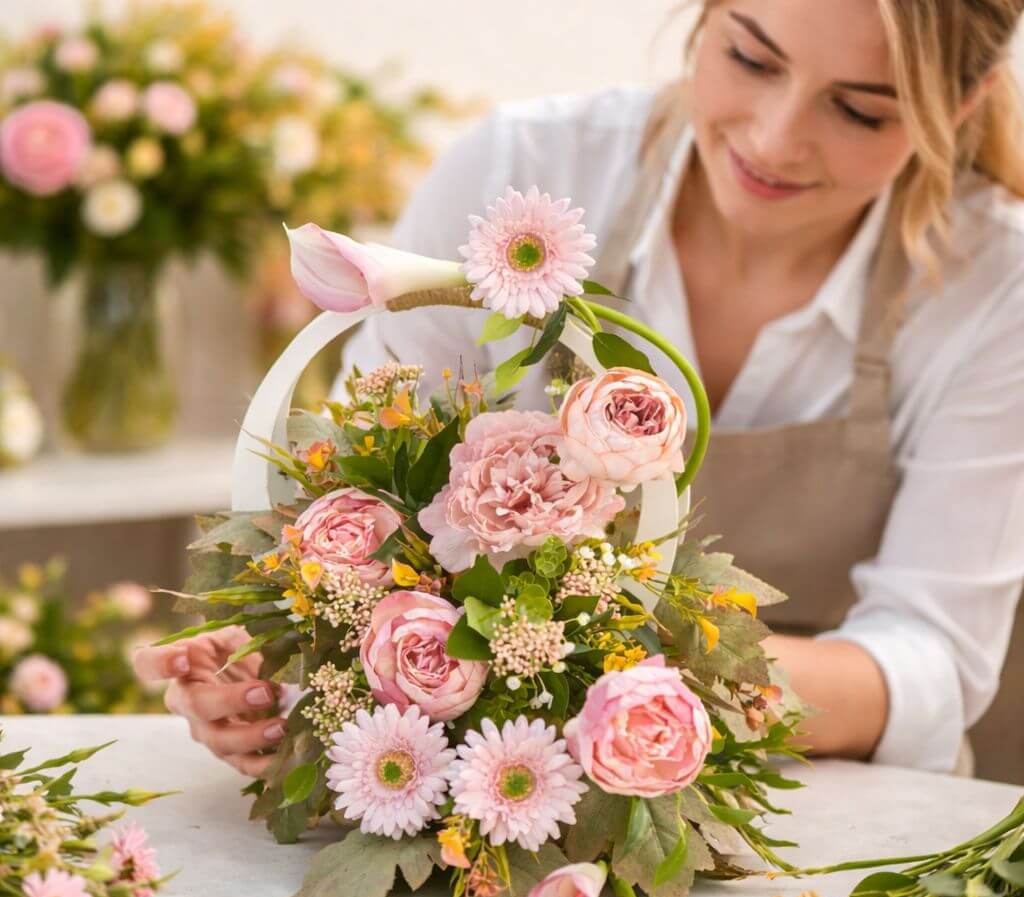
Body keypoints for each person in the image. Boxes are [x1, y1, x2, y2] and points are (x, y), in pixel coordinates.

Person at [137, 0, 1024, 781]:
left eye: (860, 110)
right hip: (493, 779)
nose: (775, 138)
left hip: (832, 804)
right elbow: (360, 489)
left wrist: (613, 694)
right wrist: (282, 665)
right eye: (752, 59)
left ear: (961, 105)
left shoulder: (996, 288)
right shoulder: (523, 170)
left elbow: (930, 661)